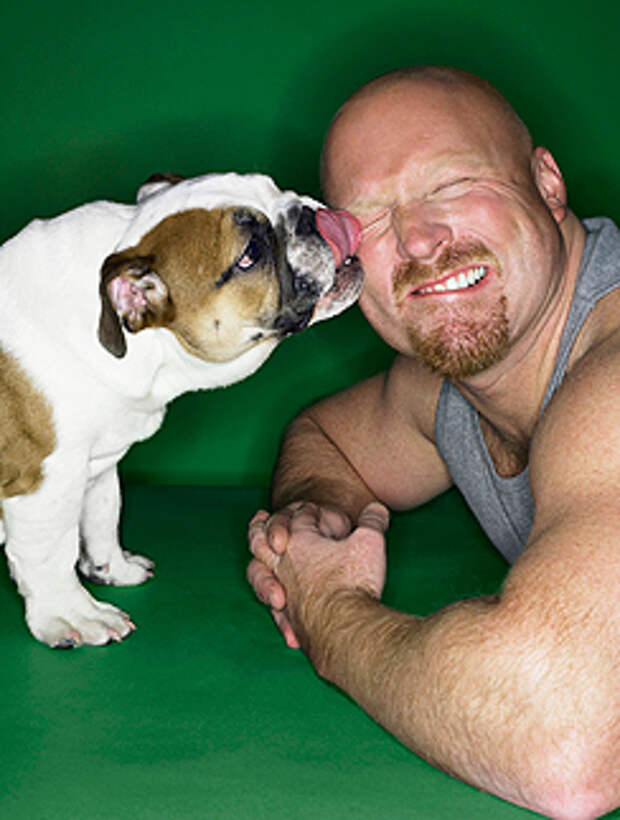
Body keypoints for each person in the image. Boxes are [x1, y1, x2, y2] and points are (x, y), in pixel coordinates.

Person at [246, 66, 619, 819]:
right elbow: (326, 439)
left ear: (547, 182)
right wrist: (314, 517)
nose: (418, 239)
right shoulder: (449, 388)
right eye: (368, 219)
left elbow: (564, 748)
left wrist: (329, 609)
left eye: (450, 185)